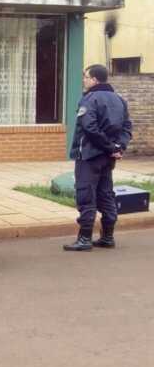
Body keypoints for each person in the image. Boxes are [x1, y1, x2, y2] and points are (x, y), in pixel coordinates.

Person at [64, 64, 133, 252]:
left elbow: (90, 128)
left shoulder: (89, 99)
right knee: (106, 194)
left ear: (94, 80)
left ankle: (84, 239)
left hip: (89, 155)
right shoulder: (119, 100)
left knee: (86, 194)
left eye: (86, 77)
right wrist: (118, 147)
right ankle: (107, 237)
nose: (84, 80)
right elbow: (127, 127)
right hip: (108, 158)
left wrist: (111, 147)